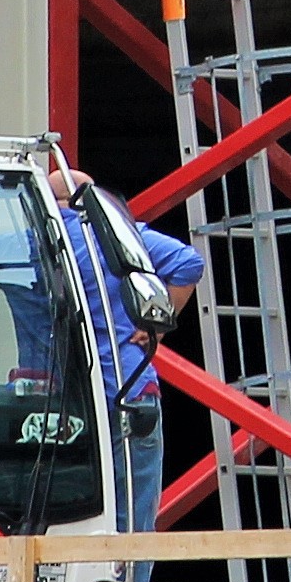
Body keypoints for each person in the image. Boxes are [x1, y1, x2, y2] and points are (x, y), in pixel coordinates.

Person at [50, 155, 204, 533]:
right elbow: (189, 263)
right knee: (132, 526)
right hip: (129, 390)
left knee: (69, 523)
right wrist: (156, 321)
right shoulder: (121, 236)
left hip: (62, 403)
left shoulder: (35, 241)